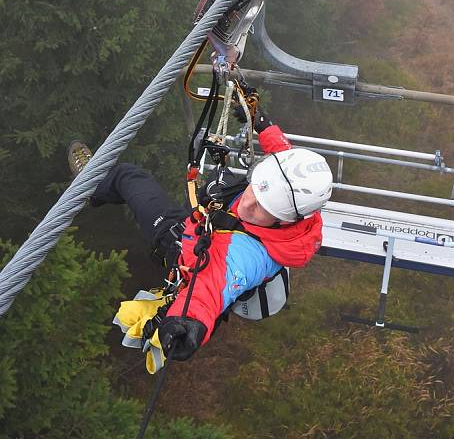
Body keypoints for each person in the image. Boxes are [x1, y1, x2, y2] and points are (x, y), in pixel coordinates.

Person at [68, 104, 333, 363]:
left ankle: (91, 186)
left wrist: (189, 323)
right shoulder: (299, 203)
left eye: (263, 207)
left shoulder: (250, 257)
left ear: (285, 220)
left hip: (182, 246)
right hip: (204, 220)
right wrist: (261, 123)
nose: (248, 203)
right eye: (255, 189)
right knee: (208, 193)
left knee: (129, 177)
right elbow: (283, 155)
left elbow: (211, 288)